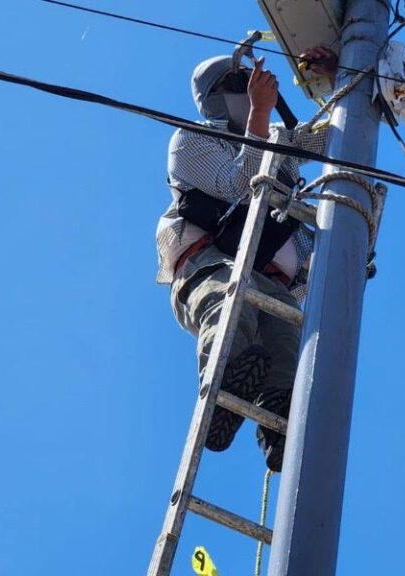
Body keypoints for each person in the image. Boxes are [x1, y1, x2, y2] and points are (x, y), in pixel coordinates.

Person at [156, 47, 338, 472]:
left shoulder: (278, 139)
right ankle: (222, 394)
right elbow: (242, 186)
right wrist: (259, 113)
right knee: (230, 304)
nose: (251, 91)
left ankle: (278, 427)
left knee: (287, 344)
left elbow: (339, 138)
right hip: (209, 262)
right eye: (239, 83)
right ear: (213, 97)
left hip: (273, 278)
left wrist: (334, 81)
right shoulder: (192, 139)